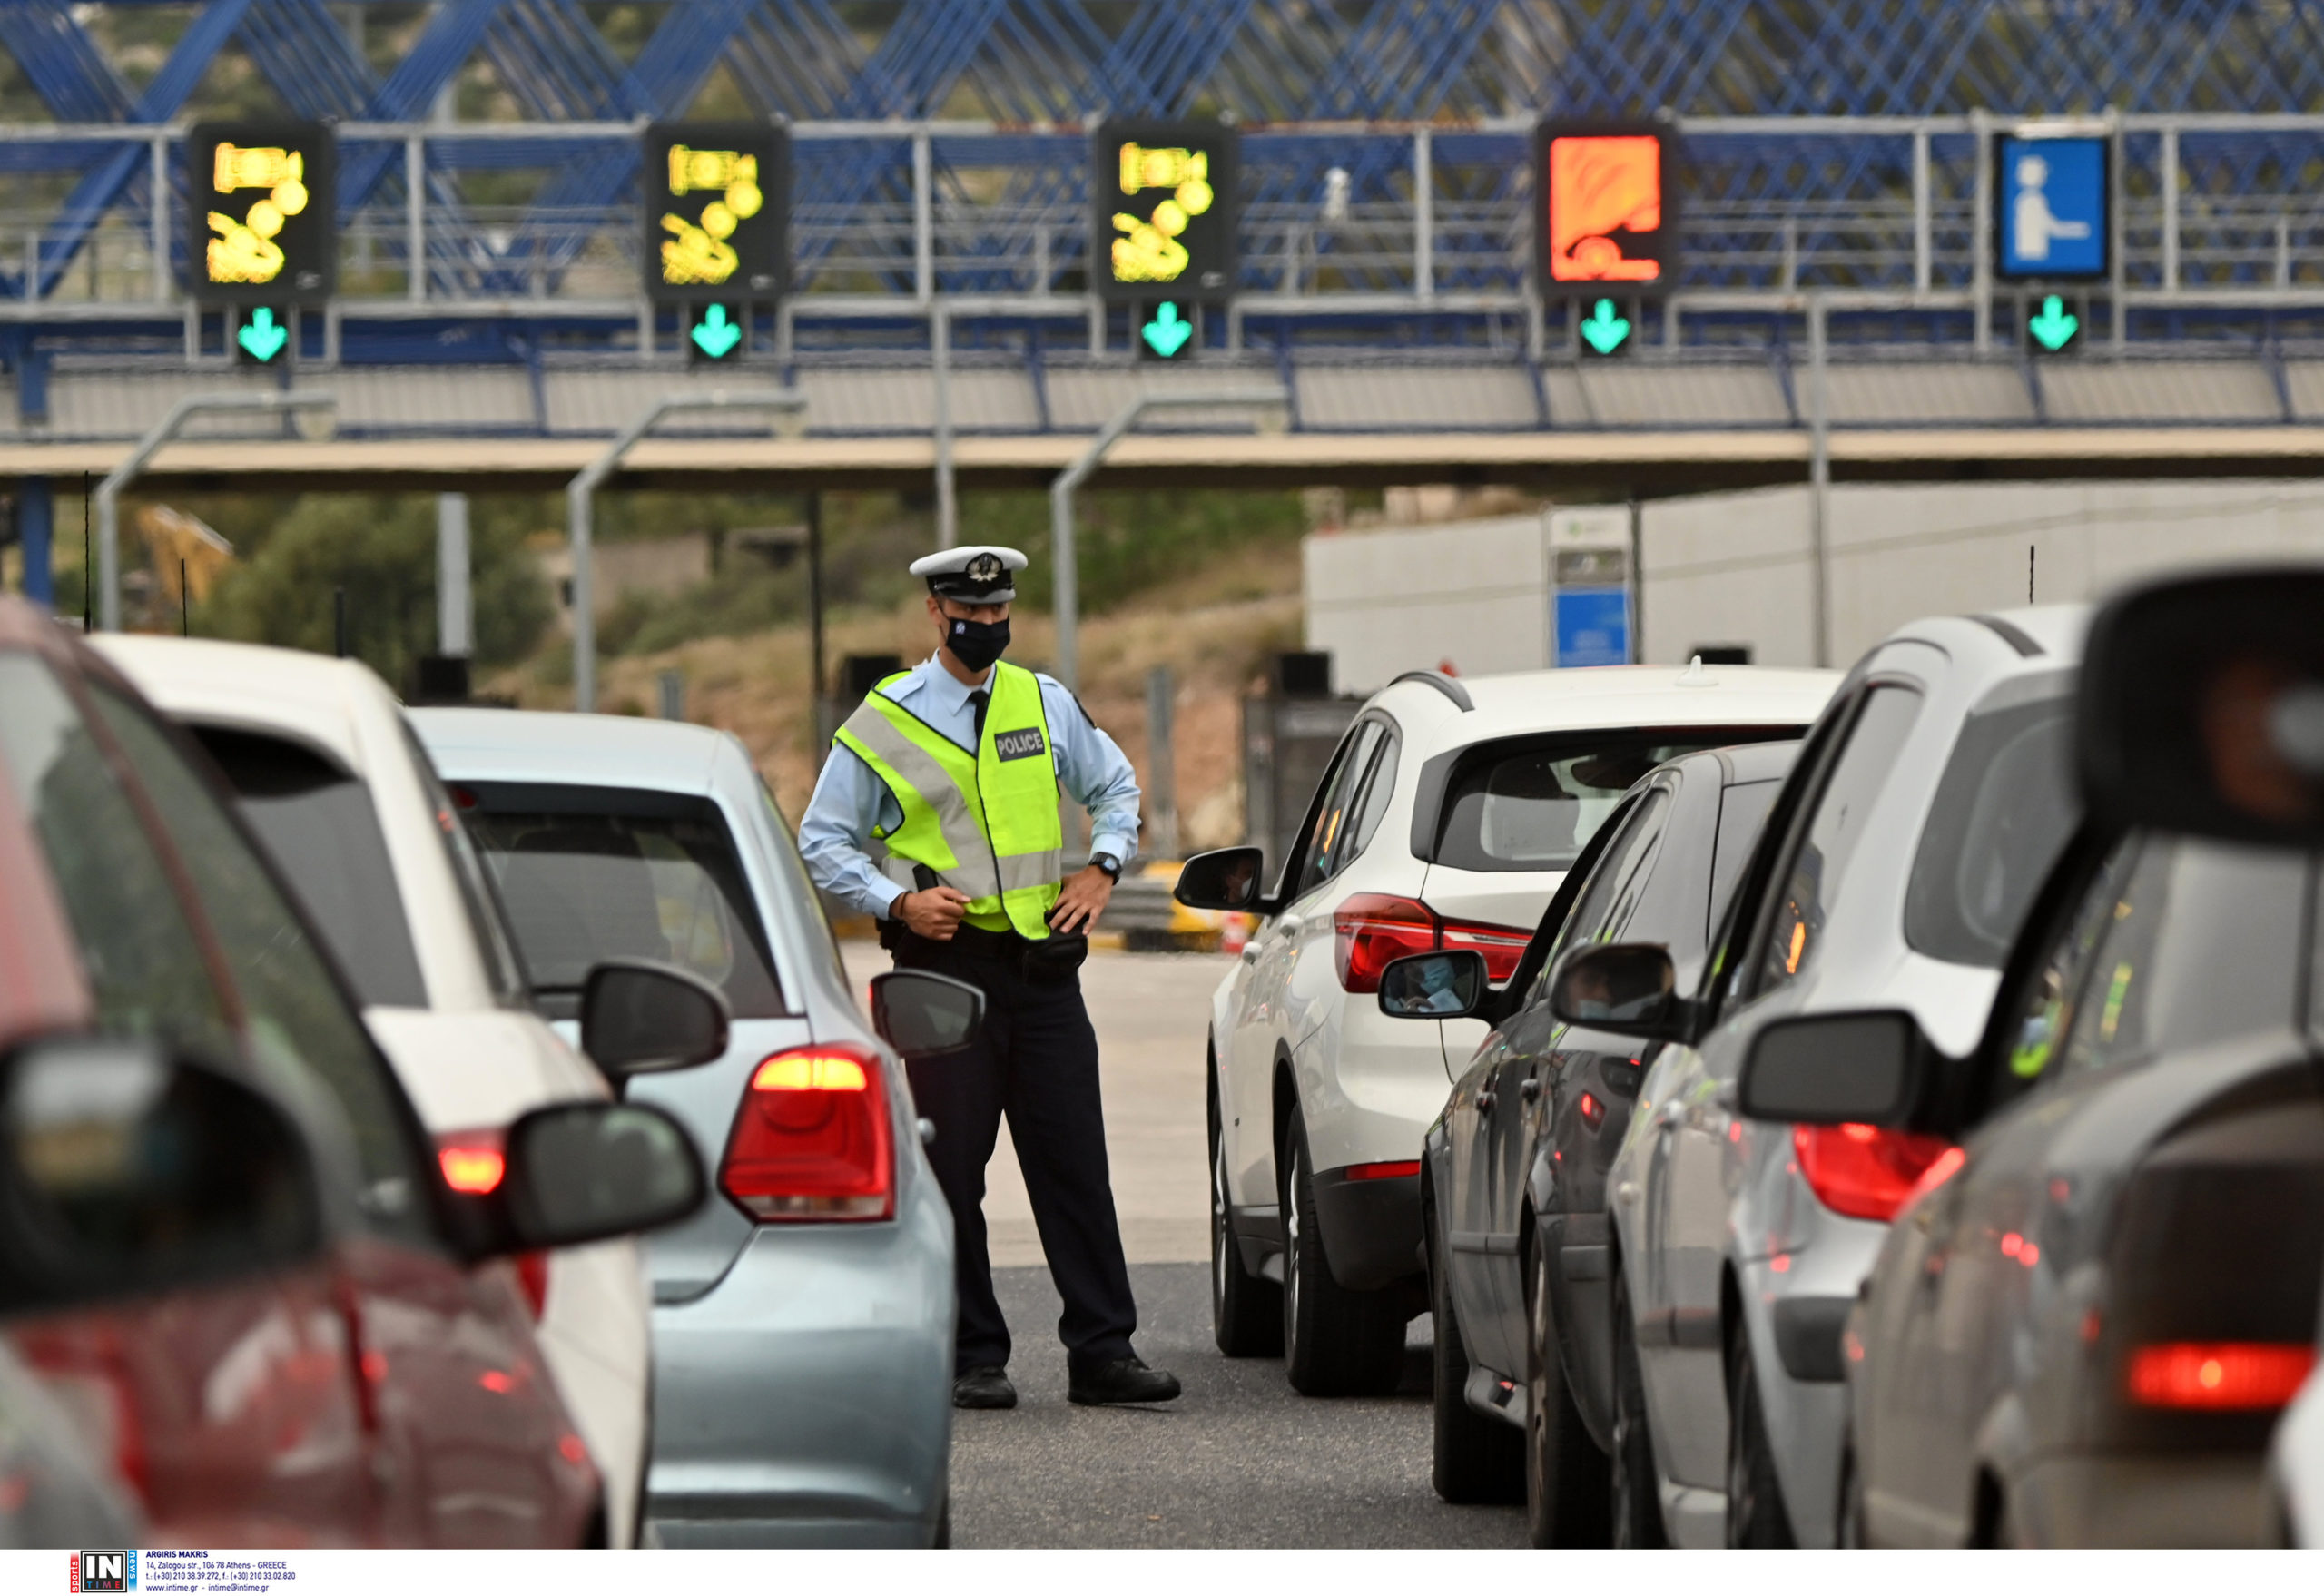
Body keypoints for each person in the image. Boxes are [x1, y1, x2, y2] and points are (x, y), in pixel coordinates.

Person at [797, 544, 1182, 1411]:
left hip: (1042, 972)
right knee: (951, 1170)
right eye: (970, 615)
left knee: (1073, 1162)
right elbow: (821, 841)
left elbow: (1116, 787)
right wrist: (898, 903)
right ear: (936, 613)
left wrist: (1104, 868)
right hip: (944, 973)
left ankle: (1103, 1351)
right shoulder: (881, 721)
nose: (985, 627)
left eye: (998, 613)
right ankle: (972, 1354)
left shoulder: (1041, 702)